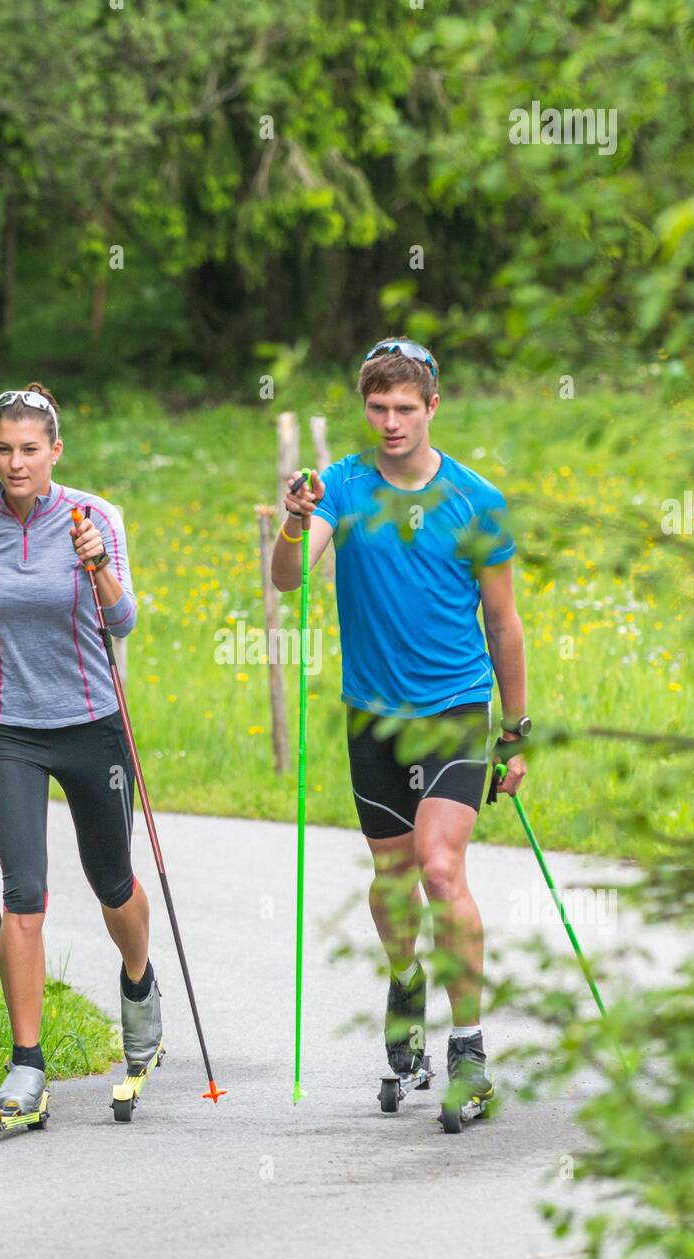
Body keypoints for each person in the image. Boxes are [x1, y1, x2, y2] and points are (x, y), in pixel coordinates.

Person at [271, 339, 529, 1112]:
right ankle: (407, 981)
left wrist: (516, 732)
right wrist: (293, 523)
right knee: (394, 881)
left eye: (405, 408)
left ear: (432, 407)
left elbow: (504, 623)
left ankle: (469, 1050)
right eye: (378, 407)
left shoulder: (476, 500)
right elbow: (289, 580)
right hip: (373, 717)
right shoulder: (343, 488)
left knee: (441, 870)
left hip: (455, 709)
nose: (391, 421)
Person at [0, 382, 161, 1118]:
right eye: (3, 450)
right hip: (8, 726)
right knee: (22, 896)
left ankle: (139, 983)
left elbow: (124, 619)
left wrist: (96, 562)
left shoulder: (93, 517)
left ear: (55, 450)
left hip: (91, 722)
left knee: (112, 881)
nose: (16, 463)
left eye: (29, 449)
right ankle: (26, 1063)